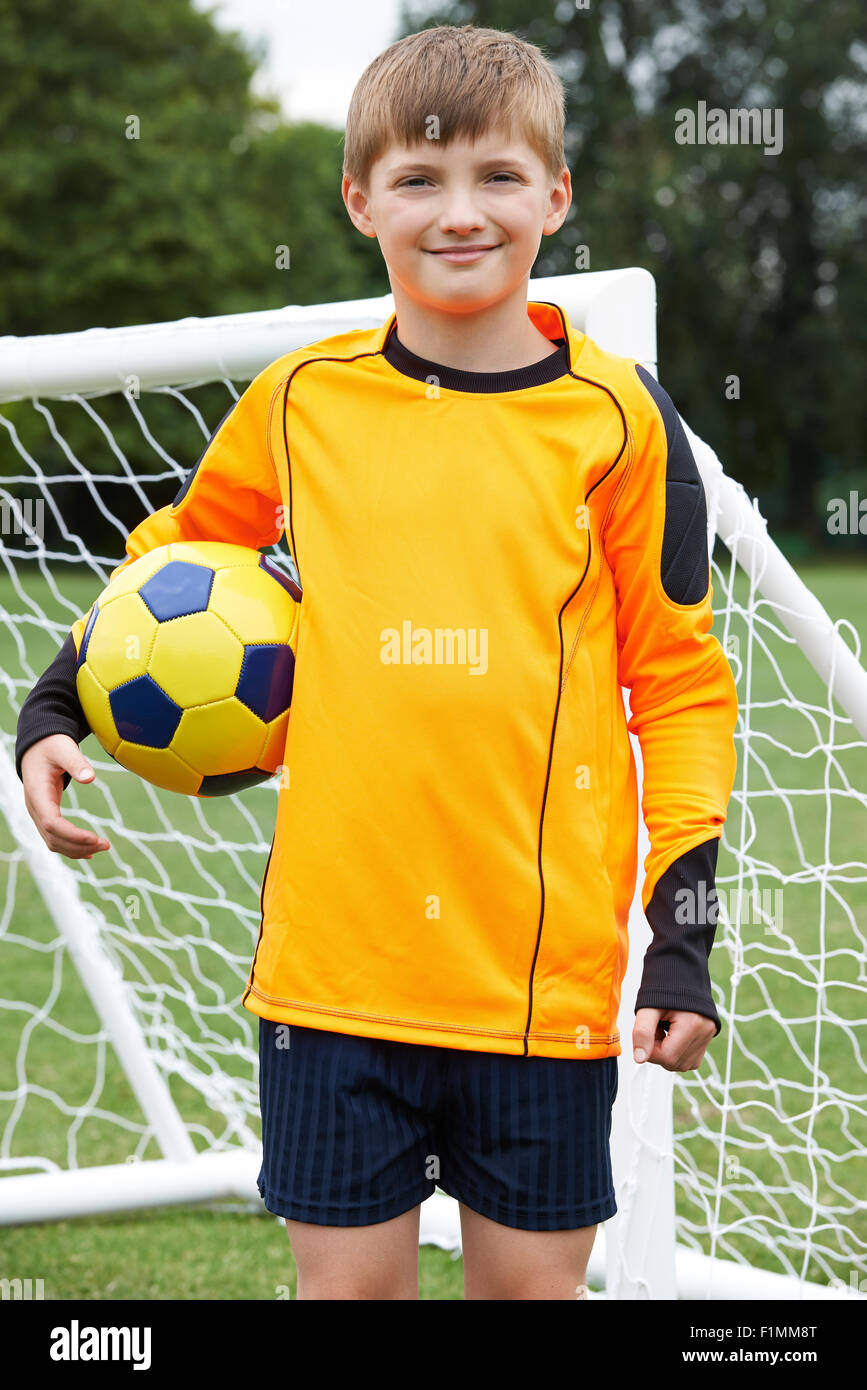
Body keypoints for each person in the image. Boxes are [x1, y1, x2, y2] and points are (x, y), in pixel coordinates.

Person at [16, 23, 738, 1300]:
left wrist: (678, 936)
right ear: (360, 199)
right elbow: (177, 562)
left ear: (556, 195)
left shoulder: (624, 420)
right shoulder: (302, 400)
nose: (461, 213)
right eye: (419, 178)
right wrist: (59, 695)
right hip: (334, 975)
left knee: (530, 1296)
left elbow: (679, 683)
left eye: (500, 178)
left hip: (539, 980)